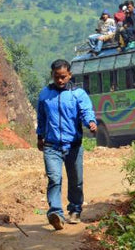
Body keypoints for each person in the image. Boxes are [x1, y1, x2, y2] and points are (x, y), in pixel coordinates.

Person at [36, 60, 97, 229]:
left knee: (76, 180)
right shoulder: (45, 94)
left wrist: (90, 123)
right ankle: (56, 213)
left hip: (73, 145)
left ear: (70, 75)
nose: (60, 81)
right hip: (51, 145)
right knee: (54, 178)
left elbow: (86, 111)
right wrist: (39, 137)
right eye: (57, 77)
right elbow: (41, 118)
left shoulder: (78, 94)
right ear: (52, 76)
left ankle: (75, 209)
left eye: (63, 77)